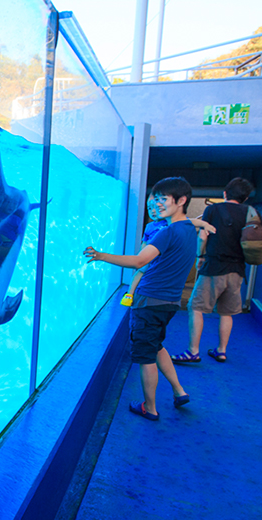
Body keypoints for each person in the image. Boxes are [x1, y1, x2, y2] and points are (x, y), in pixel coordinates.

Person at [84, 177, 200, 421]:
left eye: (162, 199)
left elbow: (139, 261)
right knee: (156, 346)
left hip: (150, 302)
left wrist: (101, 255)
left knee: (146, 357)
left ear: (181, 201)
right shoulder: (190, 229)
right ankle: (179, 391)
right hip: (169, 303)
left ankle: (150, 407)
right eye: (154, 198)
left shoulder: (166, 233)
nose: (156, 204)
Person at [171, 177, 262, 365]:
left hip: (214, 267)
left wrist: (200, 256)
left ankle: (193, 351)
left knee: (196, 308)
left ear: (224, 193)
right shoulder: (250, 212)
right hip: (237, 270)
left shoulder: (213, 209)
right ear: (245, 197)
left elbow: (203, 235)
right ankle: (221, 351)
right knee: (226, 313)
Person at [123, 196, 216, 306]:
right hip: (150, 256)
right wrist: (140, 255)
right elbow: (145, 241)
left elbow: (192, 221)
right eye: (149, 208)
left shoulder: (169, 223)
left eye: (155, 208)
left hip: (162, 258)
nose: (152, 211)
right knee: (140, 271)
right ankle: (130, 293)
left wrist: (205, 224)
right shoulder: (149, 226)